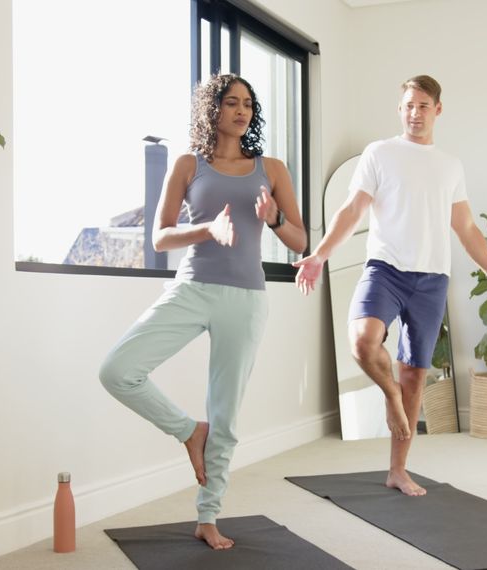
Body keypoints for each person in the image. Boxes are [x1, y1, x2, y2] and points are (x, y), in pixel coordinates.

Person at [293, 74, 487, 496]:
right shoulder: (380, 153)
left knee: (416, 376)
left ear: (437, 110)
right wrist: (320, 254)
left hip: (432, 278)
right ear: (399, 110)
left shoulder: (450, 165)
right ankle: (390, 395)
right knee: (363, 342)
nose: (414, 113)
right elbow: (352, 209)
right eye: (407, 105)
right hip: (385, 269)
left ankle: (398, 470)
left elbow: (466, 227)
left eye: (422, 105)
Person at [99, 74, 306, 549]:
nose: (241, 110)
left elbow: (300, 240)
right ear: (210, 109)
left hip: (246, 298)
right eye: (231, 102)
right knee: (118, 370)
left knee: (227, 414)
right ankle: (190, 432)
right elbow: (159, 237)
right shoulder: (188, 165)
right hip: (193, 288)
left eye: (248, 104)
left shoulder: (271, 168)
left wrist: (273, 216)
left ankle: (208, 516)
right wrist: (208, 229)